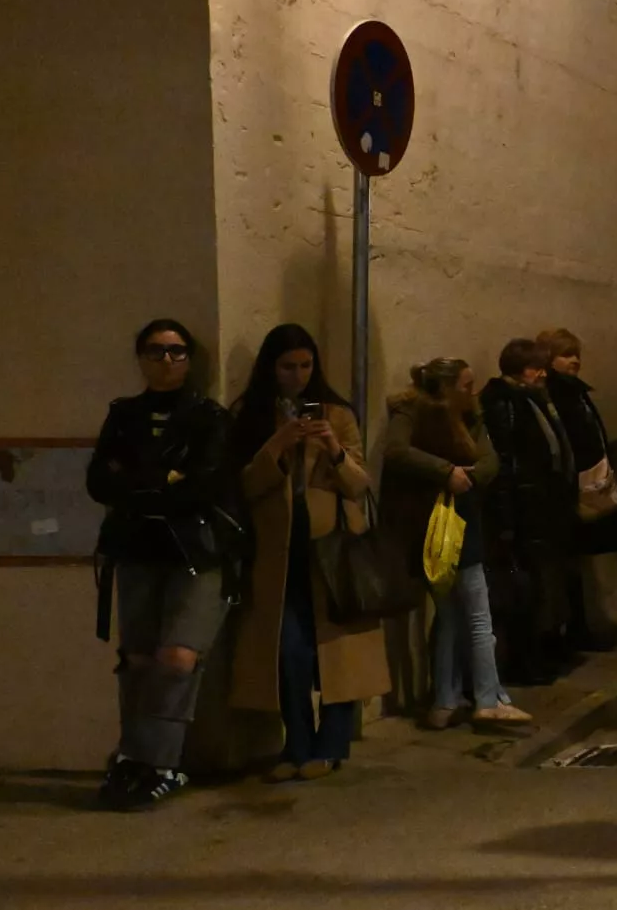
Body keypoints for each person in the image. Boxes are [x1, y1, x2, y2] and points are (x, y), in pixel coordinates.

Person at [87, 320, 246, 811]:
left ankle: (160, 763)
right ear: (140, 357)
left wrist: (142, 483)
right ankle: (134, 759)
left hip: (195, 551)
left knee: (177, 660)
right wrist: (162, 482)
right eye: (156, 351)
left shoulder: (208, 417)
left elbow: (206, 483)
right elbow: (99, 480)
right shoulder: (123, 415)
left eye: (177, 352)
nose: (167, 361)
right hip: (137, 549)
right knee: (136, 661)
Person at [228, 324, 391, 781]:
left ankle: (331, 744)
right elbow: (243, 485)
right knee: (289, 651)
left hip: (333, 552)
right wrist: (278, 445)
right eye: (287, 367)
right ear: (270, 368)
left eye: (305, 365)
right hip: (278, 554)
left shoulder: (337, 414)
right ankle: (295, 745)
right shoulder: (252, 414)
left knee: (340, 653)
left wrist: (332, 448)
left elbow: (360, 485)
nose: (297, 376)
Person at [382, 359, 533, 733]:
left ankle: (445, 700)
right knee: (477, 614)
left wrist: (465, 476)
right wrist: (445, 472)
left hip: (458, 518)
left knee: (449, 617)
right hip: (441, 525)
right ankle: (488, 699)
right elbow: (397, 452)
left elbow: (489, 461)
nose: (473, 392)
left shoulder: (470, 417)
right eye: (466, 385)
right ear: (448, 388)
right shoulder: (415, 413)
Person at [479, 339, 575, 685]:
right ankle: (523, 661)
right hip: (521, 510)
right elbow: (508, 461)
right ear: (519, 370)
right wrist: (508, 517)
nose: (542, 374)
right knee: (523, 589)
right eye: (536, 367)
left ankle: (539, 653)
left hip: (540, 507)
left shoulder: (532, 400)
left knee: (540, 585)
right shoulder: (504, 403)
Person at [540, 328, 617, 652]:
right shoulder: (554, 395)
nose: (574, 361)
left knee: (576, 564)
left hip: (586, 485)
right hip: (566, 491)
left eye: (576, 354)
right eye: (565, 354)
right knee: (564, 566)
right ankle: (565, 633)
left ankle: (577, 628)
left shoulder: (575, 392)